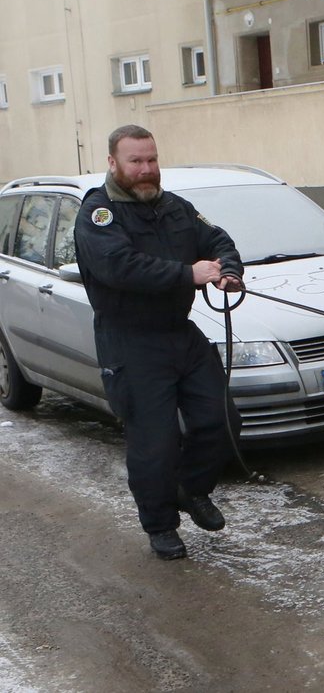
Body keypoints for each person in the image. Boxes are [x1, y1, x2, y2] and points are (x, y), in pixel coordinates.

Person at [74, 124, 244, 560]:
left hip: (178, 332)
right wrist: (189, 274)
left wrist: (228, 270)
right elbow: (120, 267)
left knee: (220, 421)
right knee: (155, 442)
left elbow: (216, 239)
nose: (146, 169)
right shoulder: (99, 214)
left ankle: (191, 488)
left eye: (151, 160)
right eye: (136, 161)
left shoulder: (175, 207)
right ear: (113, 163)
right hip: (129, 340)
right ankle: (161, 525)